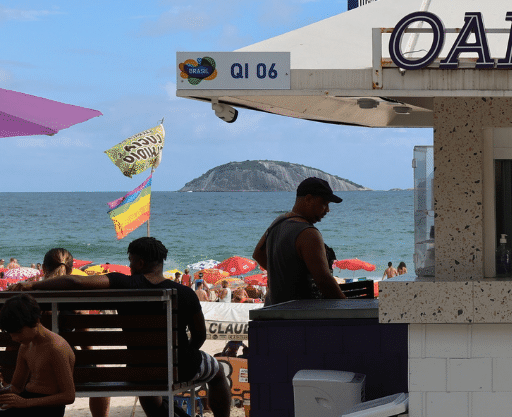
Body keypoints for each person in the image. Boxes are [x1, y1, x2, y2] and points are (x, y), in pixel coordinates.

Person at [12, 237, 233, 417]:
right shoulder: (185, 293)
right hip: (179, 366)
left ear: (139, 263)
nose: (128, 266)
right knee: (218, 373)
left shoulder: (123, 283)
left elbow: (76, 282)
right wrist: (181, 356)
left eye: (130, 261)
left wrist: (33, 285)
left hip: (137, 369)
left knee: (149, 392)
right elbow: (200, 336)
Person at [252, 177, 347, 306]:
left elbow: (258, 254)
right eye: (324, 203)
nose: (327, 210)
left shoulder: (278, 221)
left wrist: (282, 277)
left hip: (273, 308)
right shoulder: (308, 233)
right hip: (300, 315)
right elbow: (324, 280)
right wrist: (346, 305)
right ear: (308, 199)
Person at [40, 249, 110, 417]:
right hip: (72, 367)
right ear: (71, 271)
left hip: (34, 366)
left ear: (43, 268)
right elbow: (85, 344)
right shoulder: (76, 299)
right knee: (100, 378)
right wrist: (93, 365)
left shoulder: (28, 296)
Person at [0, 294, 76, 416]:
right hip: (27, 399)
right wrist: (3, 390)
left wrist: (26, 403)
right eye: (11, 334)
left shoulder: (56, 348)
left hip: (49, 408)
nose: (14, 338)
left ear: (36, 321)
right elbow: (16, 387)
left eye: (18, 332)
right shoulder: (26, 345)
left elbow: (69, 396)